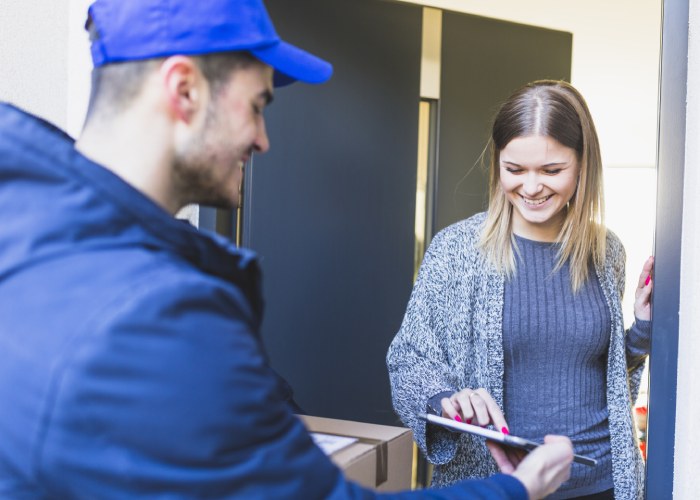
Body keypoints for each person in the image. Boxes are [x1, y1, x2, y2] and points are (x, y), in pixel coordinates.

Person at [0, 1, 574, 498]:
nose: (263, 139)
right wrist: (516, 488)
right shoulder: (152, 308)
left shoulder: (34, 230)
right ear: (184, 90)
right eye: (257, 106)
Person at [387, 80, 653, 500]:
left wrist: (641, 332)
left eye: (551, 170)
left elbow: (605, 377)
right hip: (499, 487)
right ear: (498, 164)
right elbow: (408, 361)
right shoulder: (457, 249)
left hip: (601, 485)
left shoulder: (607, 252)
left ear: (583, 164)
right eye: (515, 170)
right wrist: (445, 400)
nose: (531, 188)